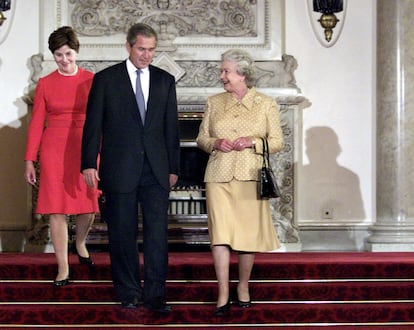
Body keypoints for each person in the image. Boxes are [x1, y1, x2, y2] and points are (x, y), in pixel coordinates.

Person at [81, 23, 180, 314]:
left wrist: (173, 167)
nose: (146, 55)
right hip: (119, 168)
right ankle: (128, 292)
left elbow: (170, 128)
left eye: (151, 50)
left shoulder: (165, 80)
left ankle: (155, 295)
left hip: (156, 170)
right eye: (141, 49)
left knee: (157, 235)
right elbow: (93, 125)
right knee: (122, 234)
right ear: (128, 46)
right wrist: (88, 162)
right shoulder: (106, 79)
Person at [196, 49, 284, 316]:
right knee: (220, 236)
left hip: (250, 176)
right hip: (218, 176)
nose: (221, 76)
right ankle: (223, 292)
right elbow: (201, 139)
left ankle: (243, 287)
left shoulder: (265, 104)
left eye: (226, 71)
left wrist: (253, 142)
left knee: (246, 237)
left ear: (242, 74)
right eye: (222, 71)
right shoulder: (213, 102)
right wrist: (215, 143)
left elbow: (278, 142)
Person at [24, 26, 99, 287]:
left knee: (87, 204)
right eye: (58, 55)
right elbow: (36, 124)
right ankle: (63, 266)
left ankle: (79, 243)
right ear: (53, 56)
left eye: (68, 53)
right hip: (54, 148)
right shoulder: (45, 83)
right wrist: (29, 160)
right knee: (56, 209)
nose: (64, 60)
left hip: (84, 146)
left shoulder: (91, 80)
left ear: (76, 52)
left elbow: (102, 119)